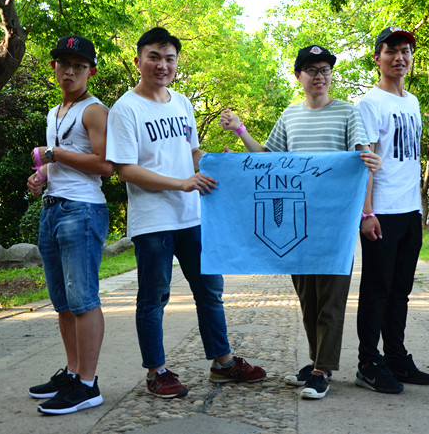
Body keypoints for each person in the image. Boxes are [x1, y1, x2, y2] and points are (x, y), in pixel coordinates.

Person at [105, 27, 266, 399]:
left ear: (176, 63)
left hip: (192, 216)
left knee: (210, 290)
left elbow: (191, 153)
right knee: (154, 296)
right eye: (154, 57)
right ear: (138, 61)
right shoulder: (125, 109)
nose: (162, 65)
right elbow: (125, 170)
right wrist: (181, 183)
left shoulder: (182, 103)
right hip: (153, 220)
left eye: (169, 58)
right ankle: (156, 371)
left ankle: (223, 363)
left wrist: (217, 164)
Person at [220, 44, 382, 400]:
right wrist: (240, 131)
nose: (319, 76)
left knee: (332, 296)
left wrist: (367, 209)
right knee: (308, 297)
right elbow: (268, 159)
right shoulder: (290, 116)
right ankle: (315, 362)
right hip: (296, 222)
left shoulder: (347, 112)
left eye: (325, 69)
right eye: (311, 70)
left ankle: (323, 370)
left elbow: (361, 158)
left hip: (335, 222)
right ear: (298, 76)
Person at [26, 35, 113, 414]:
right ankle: (73, 372)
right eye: (64, 63)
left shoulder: (94, 111)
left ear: (91, 71)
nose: (70, 71)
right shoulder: (55, 112)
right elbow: (58, 162)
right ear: (54, 67)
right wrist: (42, 175)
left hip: (82, 211)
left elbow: (106, 165)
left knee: (82, 300)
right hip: (53, 209)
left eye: (79, 66)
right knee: (62, 301)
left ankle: (88, 385)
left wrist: (54, 153)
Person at [354, 26, 429, 394]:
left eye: (405, 51)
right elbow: (366, 160)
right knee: (377, 290)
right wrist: (367, 212)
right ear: (378, 59)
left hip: (410, 211)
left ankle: (396, 357)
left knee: (401, 290)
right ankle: (368, 362)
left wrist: (417, 209)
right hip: (381, 212)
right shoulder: (370, 103)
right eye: (391, 51)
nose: (399, 57)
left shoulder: (412, 102)